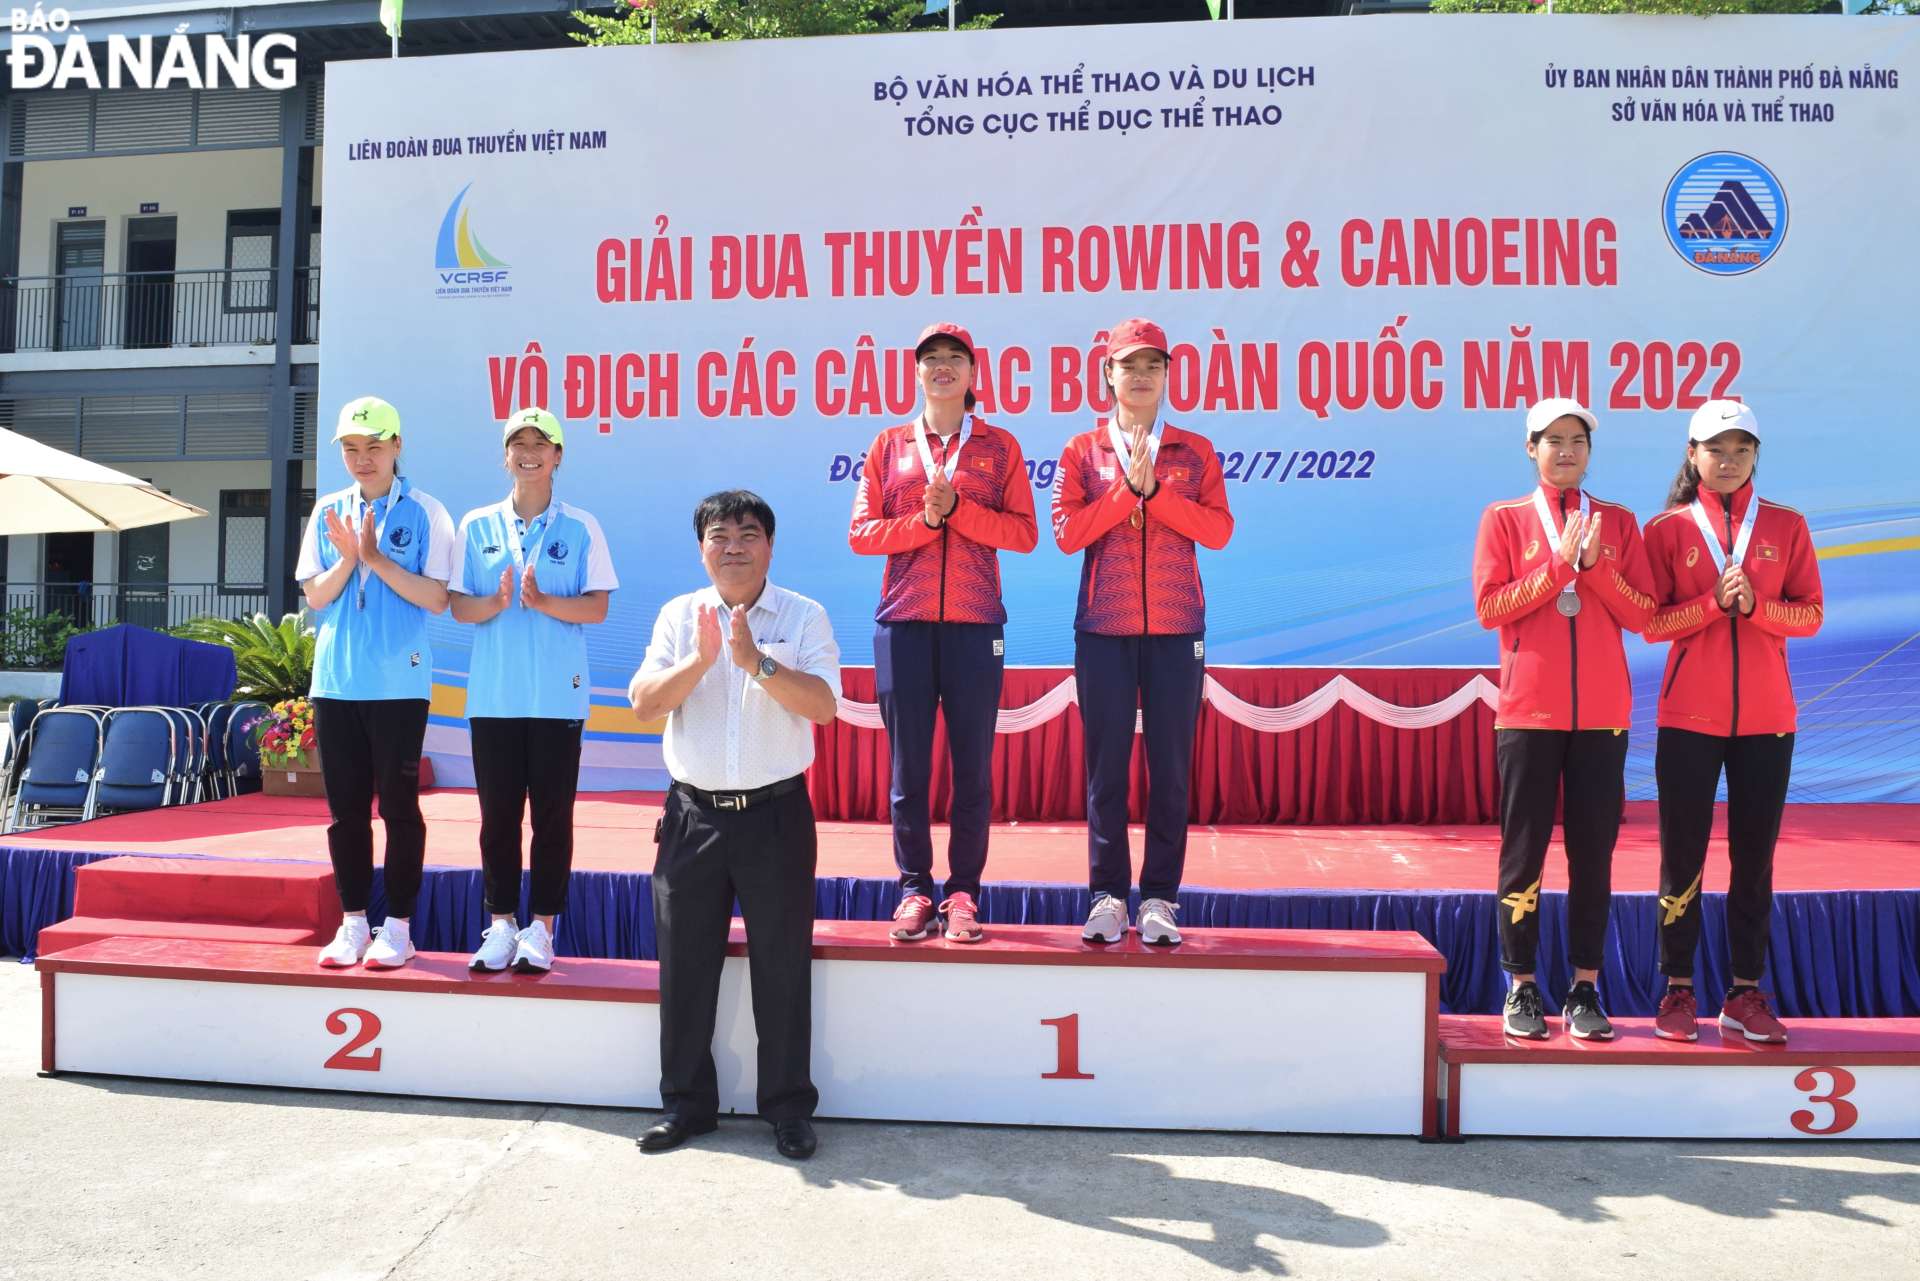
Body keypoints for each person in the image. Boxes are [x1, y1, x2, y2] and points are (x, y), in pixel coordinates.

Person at [627, 490, 840, 1160]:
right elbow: (642, 704)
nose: (735, 547)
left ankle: (787, 1108)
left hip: (775, 815)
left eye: (749, 534)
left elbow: (825, 706)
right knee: (684, 968)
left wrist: (758, 663)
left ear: (769, 546)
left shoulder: (804, 615)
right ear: (702, 548)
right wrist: (701, 659)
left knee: (782, 966)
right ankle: (686, 1105)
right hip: (693, 818)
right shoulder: (676, 616)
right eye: (720, 535)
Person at [1472, 398, 1655, 1040]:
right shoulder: (1504, 519)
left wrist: (1595, 568)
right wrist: (1559, 568)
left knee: (1593, 855)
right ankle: (1521, 986)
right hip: (1528, 712)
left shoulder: (1620, 523)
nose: (1566, 450)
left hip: (1602, 714)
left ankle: (1584, 987)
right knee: (1522, 851)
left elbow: (1643, 616)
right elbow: (1492, 609)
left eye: (1577, 440)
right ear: (1531, 448)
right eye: (1553, 440)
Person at [849, 322, 1038, 944]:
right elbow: (862, 535)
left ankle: (963, 892)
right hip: (902, 623)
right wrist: (926, 521)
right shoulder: (888, 445)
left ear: (973, 374)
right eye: (930, 358)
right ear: (917, 372)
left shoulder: (1000, 447)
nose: (942, 367)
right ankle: (913, 889)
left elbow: (1024, 534)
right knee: (908, 769)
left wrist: (962, 512)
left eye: (954, 358)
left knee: (972, 772)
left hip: (975, 624)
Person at [1641, 400, 1823, 1044]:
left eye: (1741, 450)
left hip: (1768, 719)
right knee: (1681, 857)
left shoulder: (1787, 525)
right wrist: (1710, 606)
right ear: (1692, 455)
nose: (1728, 461)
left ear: (1754, 457)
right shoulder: (1665, 529)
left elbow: (1811, 615)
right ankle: (1678, 990)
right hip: (1688, 715)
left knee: (1755, 859)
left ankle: (1744, 993)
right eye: (1716, 450)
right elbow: (1651, 622)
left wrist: (1759, 608)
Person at [1050, 318, 1233, 947]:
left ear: (1166, 376)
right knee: (1107, 771)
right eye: (1129, 365)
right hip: (1103, 628)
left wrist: (1156, 495)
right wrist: (1127, 492)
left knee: (1171, 769)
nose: (1141, 376)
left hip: (1177, 629)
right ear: (1107, 374)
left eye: (1153, 365)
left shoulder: (1194, 450)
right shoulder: (1081, 451)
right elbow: (1067, 534)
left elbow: (1217, 531)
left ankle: (1159, 897)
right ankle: (1106, 895)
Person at [450, 408, 618, 974]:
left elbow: (597, 606)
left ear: (558, 456)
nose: (528, 452)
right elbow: (457, 606)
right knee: (497, 818)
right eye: (517, 443)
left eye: (539, 444)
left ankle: (542, 928)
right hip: (494, 698)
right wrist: (494, 604)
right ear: (505, 456)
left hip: (556, 698)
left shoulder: (582, 526)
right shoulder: (476, 526)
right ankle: (499, 924)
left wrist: (545, 603)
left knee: (553, 818)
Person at [299, 396, 455, 970]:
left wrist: (375, 559)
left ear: (397, 447)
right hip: (337, 682)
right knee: (345, 813)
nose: (363, 460)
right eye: (352, 450)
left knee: (398, 808)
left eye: (374, 448)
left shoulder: (428, 512)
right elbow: (316, 595)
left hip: (399, 683)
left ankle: (400, 926)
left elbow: (438, 597)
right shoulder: (327, 512)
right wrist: (349, 561)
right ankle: (353, 922)